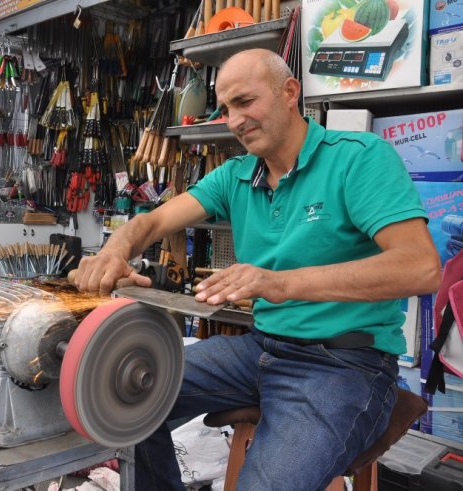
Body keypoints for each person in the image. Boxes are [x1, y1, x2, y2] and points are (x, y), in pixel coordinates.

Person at [74, 49, 441, 490]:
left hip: (344, 364)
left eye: (245, 102)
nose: (234, 120)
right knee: (118, 395)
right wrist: (115, 251)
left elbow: (420, 268)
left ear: (289, 92)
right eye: (226, 109)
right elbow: (150, 221)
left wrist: (278, 282)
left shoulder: (359, 159)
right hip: (259, 350)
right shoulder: (236, 175)